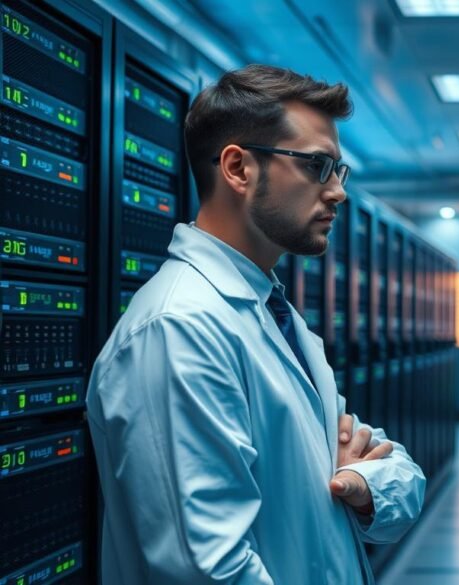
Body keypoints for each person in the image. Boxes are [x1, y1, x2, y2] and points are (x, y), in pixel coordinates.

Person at [86, 64, 425, 584]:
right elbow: (208, 570)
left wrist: (363, 481)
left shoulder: (276, 319)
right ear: (239, 168)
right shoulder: (181, 330)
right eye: (317, 166)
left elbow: (401, 475)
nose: (338, 192)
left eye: (339, 171)